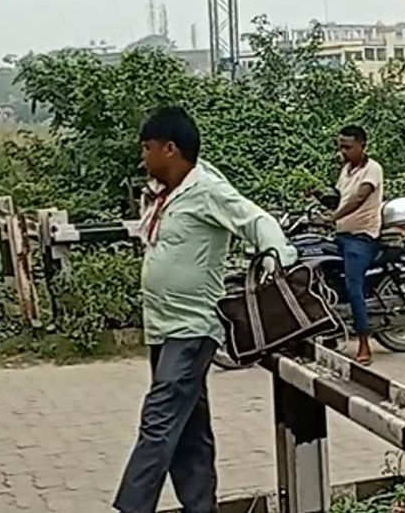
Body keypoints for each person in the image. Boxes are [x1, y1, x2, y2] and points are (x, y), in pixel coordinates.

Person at [115, 105, 296, 513]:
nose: (143, 157)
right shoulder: (167, 195)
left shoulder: (208, 190)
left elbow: (256, 220)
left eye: (147, 148)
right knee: (189, 431)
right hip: (162, 328)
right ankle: (201, 507)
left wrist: (278, 256)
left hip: (192, 329)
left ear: (170, 149)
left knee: (158, 421)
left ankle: (131, 507)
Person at [328, 124, 384, 366]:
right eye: (340, 146)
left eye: (348, 147)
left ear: (362, 146)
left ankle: (363, 342)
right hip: (341, 235)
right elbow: (339, 199)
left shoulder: (372, 170)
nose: (342, 151)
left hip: (362, 237)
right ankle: (329, 333)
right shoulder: (346, 170)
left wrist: (332, 218)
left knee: (353, 286)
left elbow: (359, 198)